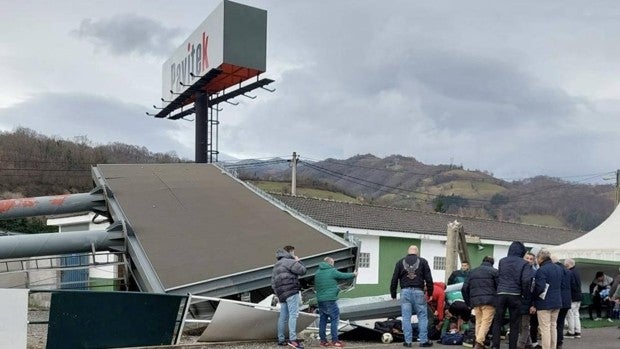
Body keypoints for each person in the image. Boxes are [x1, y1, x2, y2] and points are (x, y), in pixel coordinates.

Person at [390, 245, 434, 347]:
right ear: (417, 252)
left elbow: (394, 279)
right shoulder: (423, 261)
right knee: (422, 317)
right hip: (419, 292)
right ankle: (423, 341)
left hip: (405, 292)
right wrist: (430, 293)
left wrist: (393, 293)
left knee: (406, 317)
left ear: (408, 252)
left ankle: (408, 342)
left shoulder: (400, 262)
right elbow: (429, 279)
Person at [491, 241, 531, 349]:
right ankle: (512, 347)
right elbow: (526, 280)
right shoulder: (524, 263)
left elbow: (498, 276)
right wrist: (524, 294)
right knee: (514, 324)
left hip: (501, 294)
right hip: (515, 294)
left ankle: (495, 346)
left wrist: (499, 289)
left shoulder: (502, 261)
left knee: (497, 321)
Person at [313, 256, 357, 347]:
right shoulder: (332, 271)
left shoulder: (317, 273)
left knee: (323, 320)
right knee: (334, 319)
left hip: (320, 300)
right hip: (330, 300)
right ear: (330, 263)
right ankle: (335, 341)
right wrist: (354, 274)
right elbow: (342, 275)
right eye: (333, 263)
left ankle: (323, 341)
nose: (333, 265)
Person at [271, 245, 307, 349]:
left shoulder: (276, 265)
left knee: (283, 317)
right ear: (290, 252)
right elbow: (303, 271)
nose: (295, 254)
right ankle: (293, 340)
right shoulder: (290, 262)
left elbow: (272, 282)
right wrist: (298, 261)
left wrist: (278, 293)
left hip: (281, 294)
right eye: (294, 253)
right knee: (293, 315)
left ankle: (281, 340)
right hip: (291, 292)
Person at [462, 256, 498, 349]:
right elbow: (498, 287)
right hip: (489, 301)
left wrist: (468, 303)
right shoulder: (494, 272)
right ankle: (479, 342)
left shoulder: (472, 271)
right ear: (492, 263)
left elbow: (464, 288)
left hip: (475, 302)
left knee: (479, 322)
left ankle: (478, 343)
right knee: (486, 322)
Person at [531, 248, 563, 349]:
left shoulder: (541, 270)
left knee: (545, 328)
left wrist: (533, 298)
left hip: (544, 303)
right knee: (553, 326)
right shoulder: (559, 268)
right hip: (557, 301)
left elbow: (540, 288)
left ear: (540, 258)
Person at [517, 252, 536, 349]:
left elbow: (534, 290)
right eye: (527, 258)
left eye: (531, 259)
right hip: (518, 301)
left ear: (533, 261)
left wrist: (533, 304)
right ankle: (528, 344)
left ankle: (521, 345)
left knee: (524, 325)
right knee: (521, 325)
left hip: (528, 302)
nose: (528, 260)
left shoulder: (534, 273)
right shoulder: (518, 270)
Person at [553, 256, 571, 349]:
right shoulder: (568, 271)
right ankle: (559, 342)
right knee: (561, 322)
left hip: (558, 299)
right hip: (567, 300)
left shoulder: (556, 270)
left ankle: (556, 341)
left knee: (555, 322)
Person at [563, 258, 582, 339]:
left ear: (568, 264)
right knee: (576, 314)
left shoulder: (569, 272)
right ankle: (578, 331)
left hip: (572, 297)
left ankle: (571, 332)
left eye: (564, 264)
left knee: (570, 315)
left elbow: (571, 285)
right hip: (579, 296)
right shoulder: (577, 272)